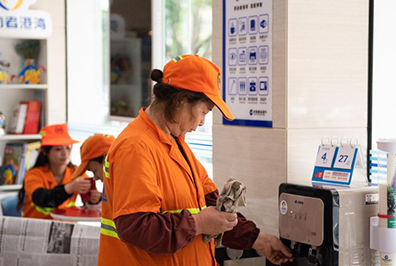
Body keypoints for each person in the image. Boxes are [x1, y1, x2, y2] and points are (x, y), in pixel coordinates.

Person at [98, 55, 293, 266]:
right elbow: (137, 226)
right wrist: (197, 224)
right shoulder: (136, 147)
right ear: (181, 100)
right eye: (204, 112)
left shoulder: (175, 145)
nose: (201, 123)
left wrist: (260, 240)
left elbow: (213, 207)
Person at [17, 124, 101, 219]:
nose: (65, 153)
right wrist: (69, 188)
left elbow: (90, 201)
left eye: (68, 148)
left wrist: (94, 199)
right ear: (45, 152)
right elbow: (41, 199)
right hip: (37, 228)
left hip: (67, 227)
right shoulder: (33, 174)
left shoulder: (76, 171)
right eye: (58, 149)